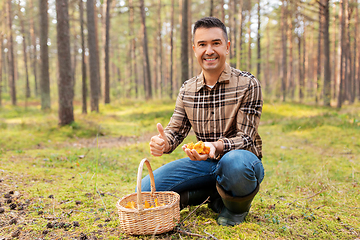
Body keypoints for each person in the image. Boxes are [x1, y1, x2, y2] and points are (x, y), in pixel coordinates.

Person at [141, 16, 264, 226]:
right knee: (145, 190)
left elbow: (246, 138)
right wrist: (164, 142)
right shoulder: (187, 89)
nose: (209, 50)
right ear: (194, 49)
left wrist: (216, 146)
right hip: (205, 165)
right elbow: (175, 131)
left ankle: (235, 209)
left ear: (227, 47)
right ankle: (214, 196)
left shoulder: (248, 83)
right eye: (202, 44)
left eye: (216, 43)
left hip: (242, 162)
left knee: (233, 163)